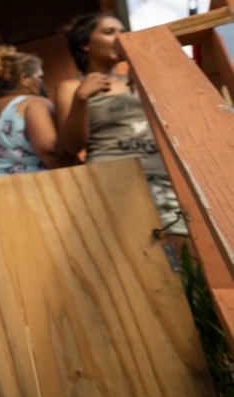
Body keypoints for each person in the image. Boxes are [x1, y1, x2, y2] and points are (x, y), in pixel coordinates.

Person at [55, 12, 187, 237]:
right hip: (111, 182)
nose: (120, 38)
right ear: (85, 44)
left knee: (188, 252)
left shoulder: (140, 80)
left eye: (123, 32)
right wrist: (80, 99)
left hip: (166, 178)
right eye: (109, 32)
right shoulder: (71, 87)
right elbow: (71, 146)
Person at [0, 45, 74, 179]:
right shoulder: (34, 104)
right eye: (39, 77)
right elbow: (50, 151)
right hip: (38, 192)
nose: (41, 82)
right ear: (24, 78)